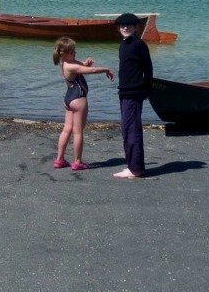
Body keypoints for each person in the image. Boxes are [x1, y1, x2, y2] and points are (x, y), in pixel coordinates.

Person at [52, 36, 115, 171]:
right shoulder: (72, 66)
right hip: (78, 99)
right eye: (73, 52)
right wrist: (106, 69)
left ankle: (59, 160)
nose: (76, 53)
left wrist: (86, 63)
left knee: (67, 129)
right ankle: (77, 162)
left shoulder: (65, 63)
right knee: (78, 132)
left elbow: (84, 66)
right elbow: (91, 71)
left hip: (68, 99)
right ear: (66, 54)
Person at [114, 12, 153, 178]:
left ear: (136, 27)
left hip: (134, 92)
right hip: (124, 91)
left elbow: (148, 69)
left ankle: (136, 169)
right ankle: (131, 165)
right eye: (122, 25)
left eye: (129, 25)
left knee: (132, 130)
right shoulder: (124, 44)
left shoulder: (139, 44)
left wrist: (147, 90)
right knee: (126, 130)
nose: (125, 28)